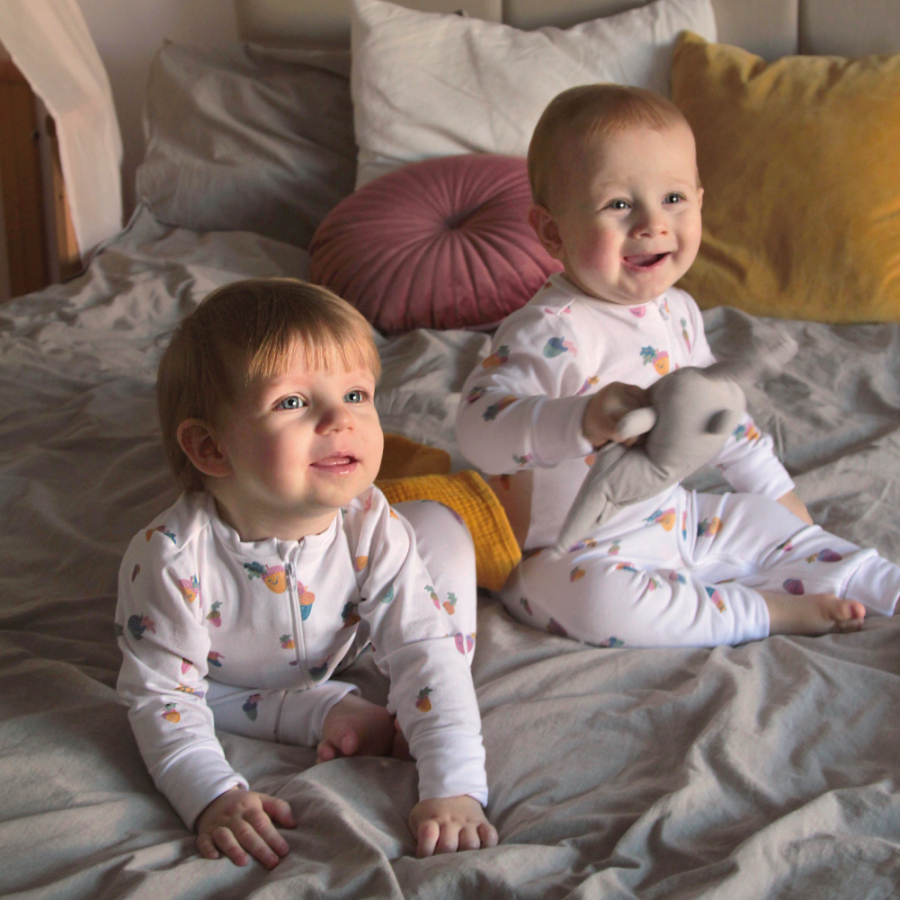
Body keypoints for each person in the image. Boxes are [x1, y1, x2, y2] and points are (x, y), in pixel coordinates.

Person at [456, 84, 900, 649]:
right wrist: (579, 419)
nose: (652, 223)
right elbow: (478, 429)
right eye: (619, 204)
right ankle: (764, 612)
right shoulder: (550, 330)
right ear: (552, 231)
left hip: (676, 520)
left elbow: (720, 417)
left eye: (673, 198)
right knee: (594, 603)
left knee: (764, 523)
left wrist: (783, 504)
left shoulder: (679, 311)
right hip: (569, 549)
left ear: (699, 201)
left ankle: (881, 583)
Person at [116, 278, 497, 868]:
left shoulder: (369, 523)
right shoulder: (170, 558)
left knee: (439, 528)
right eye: (292, 402)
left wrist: (454, 786)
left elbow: (423, 646)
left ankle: (409, 710)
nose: (340, 420)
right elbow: (163, 697)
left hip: (341, 644)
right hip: (228, 684)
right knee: (198, 698)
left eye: (355, 394)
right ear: (211, 448)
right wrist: (212, 797)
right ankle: (322, 709)